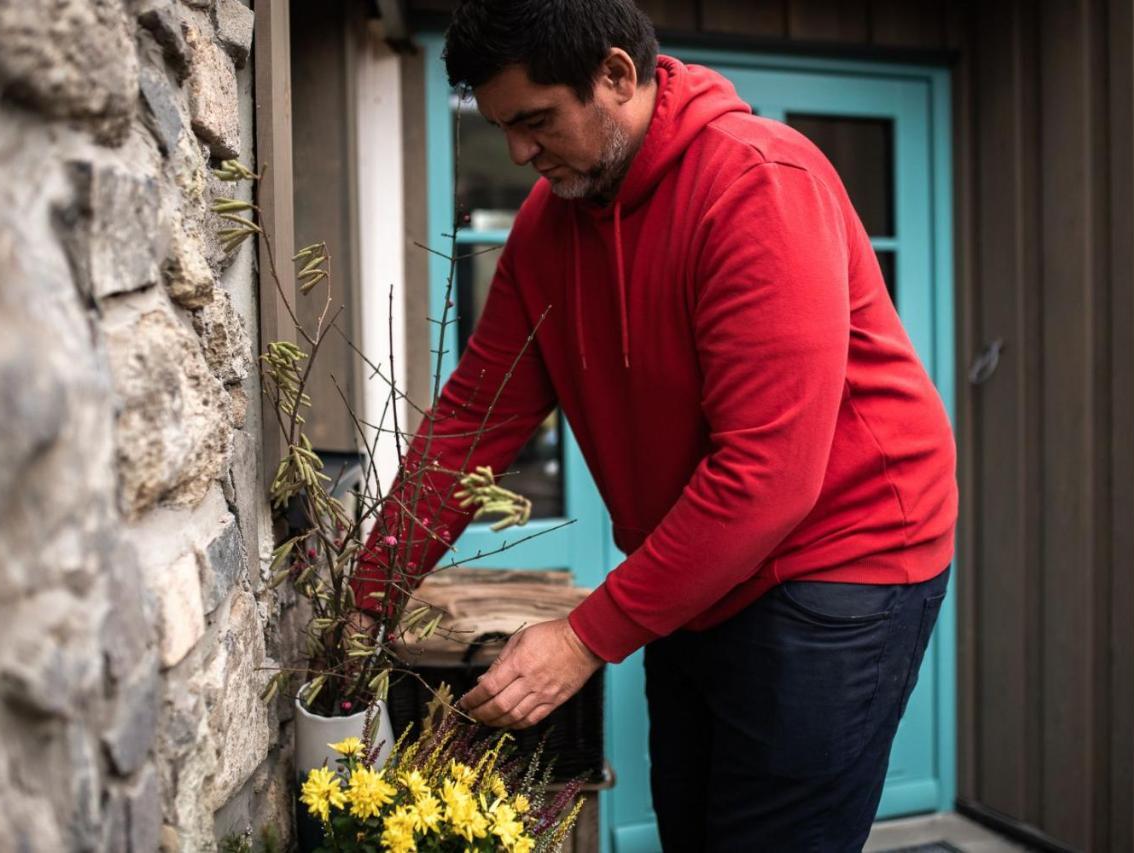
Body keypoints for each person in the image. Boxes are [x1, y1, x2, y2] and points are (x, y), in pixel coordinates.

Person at [352, 0, 958, 849]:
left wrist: (584, 635)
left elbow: (771, 476)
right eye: (500, 127)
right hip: (703, 560)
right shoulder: (547, 227)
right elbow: (474, 420)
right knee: (695, 827)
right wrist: (367, 596)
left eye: (534, 121)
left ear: (616, 76)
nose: (519, 154)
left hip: (840, 560)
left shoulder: (757, 184)